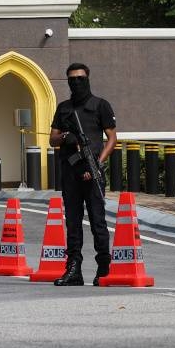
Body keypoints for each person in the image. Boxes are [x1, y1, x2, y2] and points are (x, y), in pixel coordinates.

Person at [49, 63, 117, 286]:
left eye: (80, 78)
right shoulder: (64, 108)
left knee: (98, 221)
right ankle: (74, 269)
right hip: (70, 172)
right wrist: (66, 137)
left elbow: (112, 139)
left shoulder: (100, 105)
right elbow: (52, 139)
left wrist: (96, 165)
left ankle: (104, 268)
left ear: (87, 78)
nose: (76, 82)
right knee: (73, 223)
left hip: (93, 171)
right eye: (72, 79)